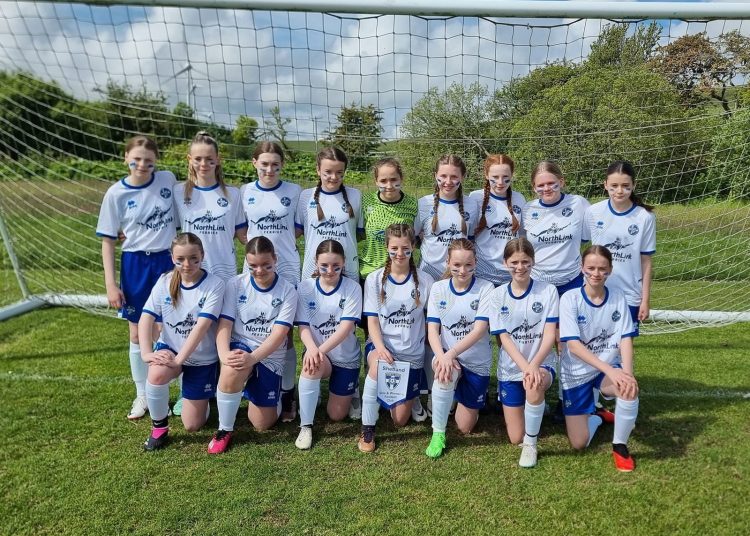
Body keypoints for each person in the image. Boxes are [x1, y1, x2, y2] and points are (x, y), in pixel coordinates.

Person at [96, 135, 177, 420]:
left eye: (149, 160)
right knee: (136, 331)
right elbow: (108, 240)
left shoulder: (167, 180)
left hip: (167, 261)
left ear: (157, 162)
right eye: (137, 158)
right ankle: (142, 394)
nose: (143, 164)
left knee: (170, 327)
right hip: (135, 264)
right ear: (125, 157)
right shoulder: (115, 194)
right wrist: (110, 284)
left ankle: (173, 391)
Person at [207, 237, 298, 454]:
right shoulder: (235, 284)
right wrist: (224, 355)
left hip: (269, 354)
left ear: (275, 259)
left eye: (266, 265)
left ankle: (275, 393)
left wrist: (253, 359)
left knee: (261, 424)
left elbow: (279, 334)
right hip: (242, 345)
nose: (259, 271)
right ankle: (224, 429)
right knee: (231, 368)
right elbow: (225, 323)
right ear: (246, 263)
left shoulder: (288, 290)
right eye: (253, 266)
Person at [138, 233, 225, 450]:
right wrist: (147, 354)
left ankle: (201, 398)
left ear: (202, 255)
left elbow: (201, 328)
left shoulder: (215, 285)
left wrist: (180, 360)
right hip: (171, 350)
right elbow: (146, 317)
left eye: (194, 258)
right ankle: (159, 428)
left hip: (201, 357)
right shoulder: (165, 281)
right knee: (156, 374)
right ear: (172, 258)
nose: (187, 265)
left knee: (193, 425)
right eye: (180, 260)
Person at [559, 245, 640, 472]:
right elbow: (573, 346)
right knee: (579, 443)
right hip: (575, 372)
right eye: (591, 268)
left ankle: (620, 447)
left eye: (602, 269)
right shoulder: (570, 298)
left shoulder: (617, 297)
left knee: (628, 388)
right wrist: (612, 370)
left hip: (605, 370)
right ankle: (596, 417)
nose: (596, 273)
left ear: (610, 270)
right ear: (581, 268)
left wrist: (626, 372)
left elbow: (625, 337)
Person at [522, 160, 590, 422]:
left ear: (562, 181)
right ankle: (532, 387)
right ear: (533, 187)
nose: (546, 188)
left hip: (571, 281)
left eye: (552, 183)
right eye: (540, 185)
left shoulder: (578, 204)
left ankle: (568, 399)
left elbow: (585, 239)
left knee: (570, 342)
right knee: (540, 339)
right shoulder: (529, 210)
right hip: (539, 284)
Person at [358, 224, 434, 452]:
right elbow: (371, 320)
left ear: (413, 248)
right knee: (377, 366)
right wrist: (380, 348)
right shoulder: (374, 279)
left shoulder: (425, 280)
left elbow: (431, 322)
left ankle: (407, 396)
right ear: (386, 248)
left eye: (405, 249)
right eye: (394, 249)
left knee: (400, 420)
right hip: (383, 348)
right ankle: (367, 429)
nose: (399, 254)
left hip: (411, 354)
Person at [241, 141, 302, 422]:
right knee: (253, 325)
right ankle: (254, 382)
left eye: (275, 164)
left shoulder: (293, 191)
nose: (269, 169)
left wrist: (277, 253)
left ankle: (287, 392)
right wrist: (259, 255)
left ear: (282, 165)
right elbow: (243, 231)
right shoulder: (245, 192)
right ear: (254, 163)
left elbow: (298, 230)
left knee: (286, 334)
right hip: (255, 268)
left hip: (286, 267)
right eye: (264, 163)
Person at [488, 238, 558, 468]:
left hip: (541, 365)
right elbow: (504, 338)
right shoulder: (497, 295)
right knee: (514, 437)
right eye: (515, 262)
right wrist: (525, 367)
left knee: (533, 384)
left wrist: (534, 366)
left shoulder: (548, 291)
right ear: (505, 262)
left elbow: (549, 335)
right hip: (511, 369)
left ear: (533, 261)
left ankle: (531, 445)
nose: (520, 267)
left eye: (526, 262)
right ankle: (537, 407)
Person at [424, 239, 493, 458]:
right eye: (456, 265)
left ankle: (462, 398)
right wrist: (442, 356)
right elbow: (432, 330)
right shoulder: (438, 288)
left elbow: (480, 329)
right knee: (444, 374)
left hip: (476, 360)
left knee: (465, 427)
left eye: (468, 265)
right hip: (448, 358)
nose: (462, 271)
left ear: (476, 262)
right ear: (447, 263)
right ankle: (438, 434)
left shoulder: (486, 288)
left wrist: (451, 353)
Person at [293, 240, 362, 450]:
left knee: (337, 415)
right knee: (311, 364)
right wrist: (313, 351)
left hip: (345, 356)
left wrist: (319, 350)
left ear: (343, 264)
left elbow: (345, 329)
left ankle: (353, 388)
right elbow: (303, 327)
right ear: (316, 263)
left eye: (336, 266)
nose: (330, 271)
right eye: (324, 266)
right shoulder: (305, 287)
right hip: (318, 352)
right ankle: (306, 426)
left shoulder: (352, 288)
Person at [585, 161, 655, 331]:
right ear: (605, 184)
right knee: (595, 343)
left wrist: (645, 300)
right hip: (595, 290)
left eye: (625, 186)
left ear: (634, 185)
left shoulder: (645, 217)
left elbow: (646, 261)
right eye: (614, 185)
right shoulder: (593, 212)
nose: (619, 191)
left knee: (624, 347)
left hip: (629, 294)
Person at [174, 131, 246, 281]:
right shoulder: (178, 191)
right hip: (190, 269)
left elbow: (242, 234)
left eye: (209, 159)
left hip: (224, 270)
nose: (203, 164)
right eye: (198, 159)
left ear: (218, 159)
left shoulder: (233, 194)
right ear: (189, 159)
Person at [295, 147, 363, 282]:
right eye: (328, 172)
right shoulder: (305, 196)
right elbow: (298, 231)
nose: (334, 177)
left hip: (347, 266)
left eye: (339, 172)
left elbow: (360, 233)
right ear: (318, 170)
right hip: (313, 268)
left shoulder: (355, 195)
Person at [415, 154, 478, 281]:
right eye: (443, 176)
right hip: (428, 273)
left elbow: (470, 239)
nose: (448, 182)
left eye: (454, 177)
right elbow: (414, 237)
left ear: (463, 177)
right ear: (435, 175)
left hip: (459, 274)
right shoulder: (423, 203)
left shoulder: (471, 205)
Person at [471, 154, 526, 286]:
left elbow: (523, 236)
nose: (500, 182)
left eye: (505, 177)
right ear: (486, 175)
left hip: (510, 273)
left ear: (512, 175)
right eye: (495, 177)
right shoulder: (475, 198)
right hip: (481, 273)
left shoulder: (520, 199)